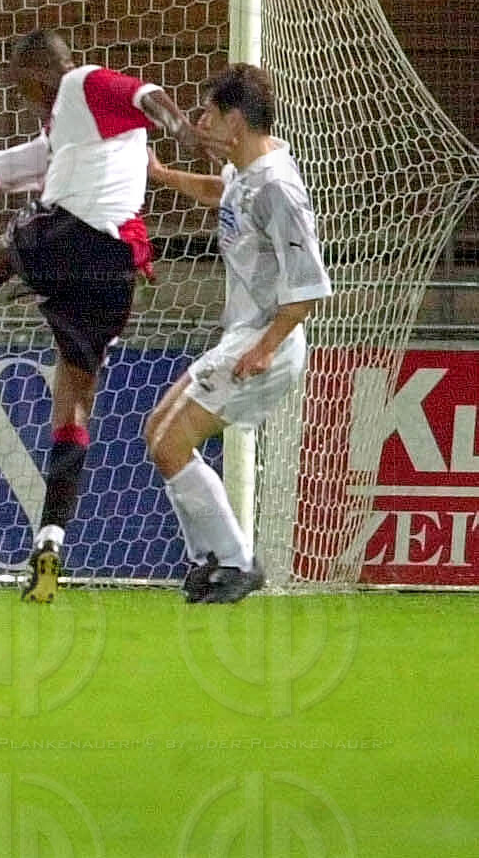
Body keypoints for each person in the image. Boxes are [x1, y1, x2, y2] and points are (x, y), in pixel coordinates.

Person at [0, 28, 222, 602]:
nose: (20, 93)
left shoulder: (80, 83)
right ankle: (50, 542)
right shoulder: (66, 137)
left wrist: (184, 133)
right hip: (116, 274)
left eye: (19, 82)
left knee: (19, 234)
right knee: (74, 399)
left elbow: (146, 94)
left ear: (35, 74)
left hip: (71, 238)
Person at [144, 64, 330, 603]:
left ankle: (236, 563)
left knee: (172, 442)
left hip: (268, 339)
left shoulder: (278, 188)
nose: (200, 122)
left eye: (208, 113)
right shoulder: (247, 172)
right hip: (244, 335)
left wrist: (265, 348)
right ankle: (212, 558)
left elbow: (309, 287)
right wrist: (163, 176)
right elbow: (221, 192)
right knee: (157, 433)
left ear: (236, 121)